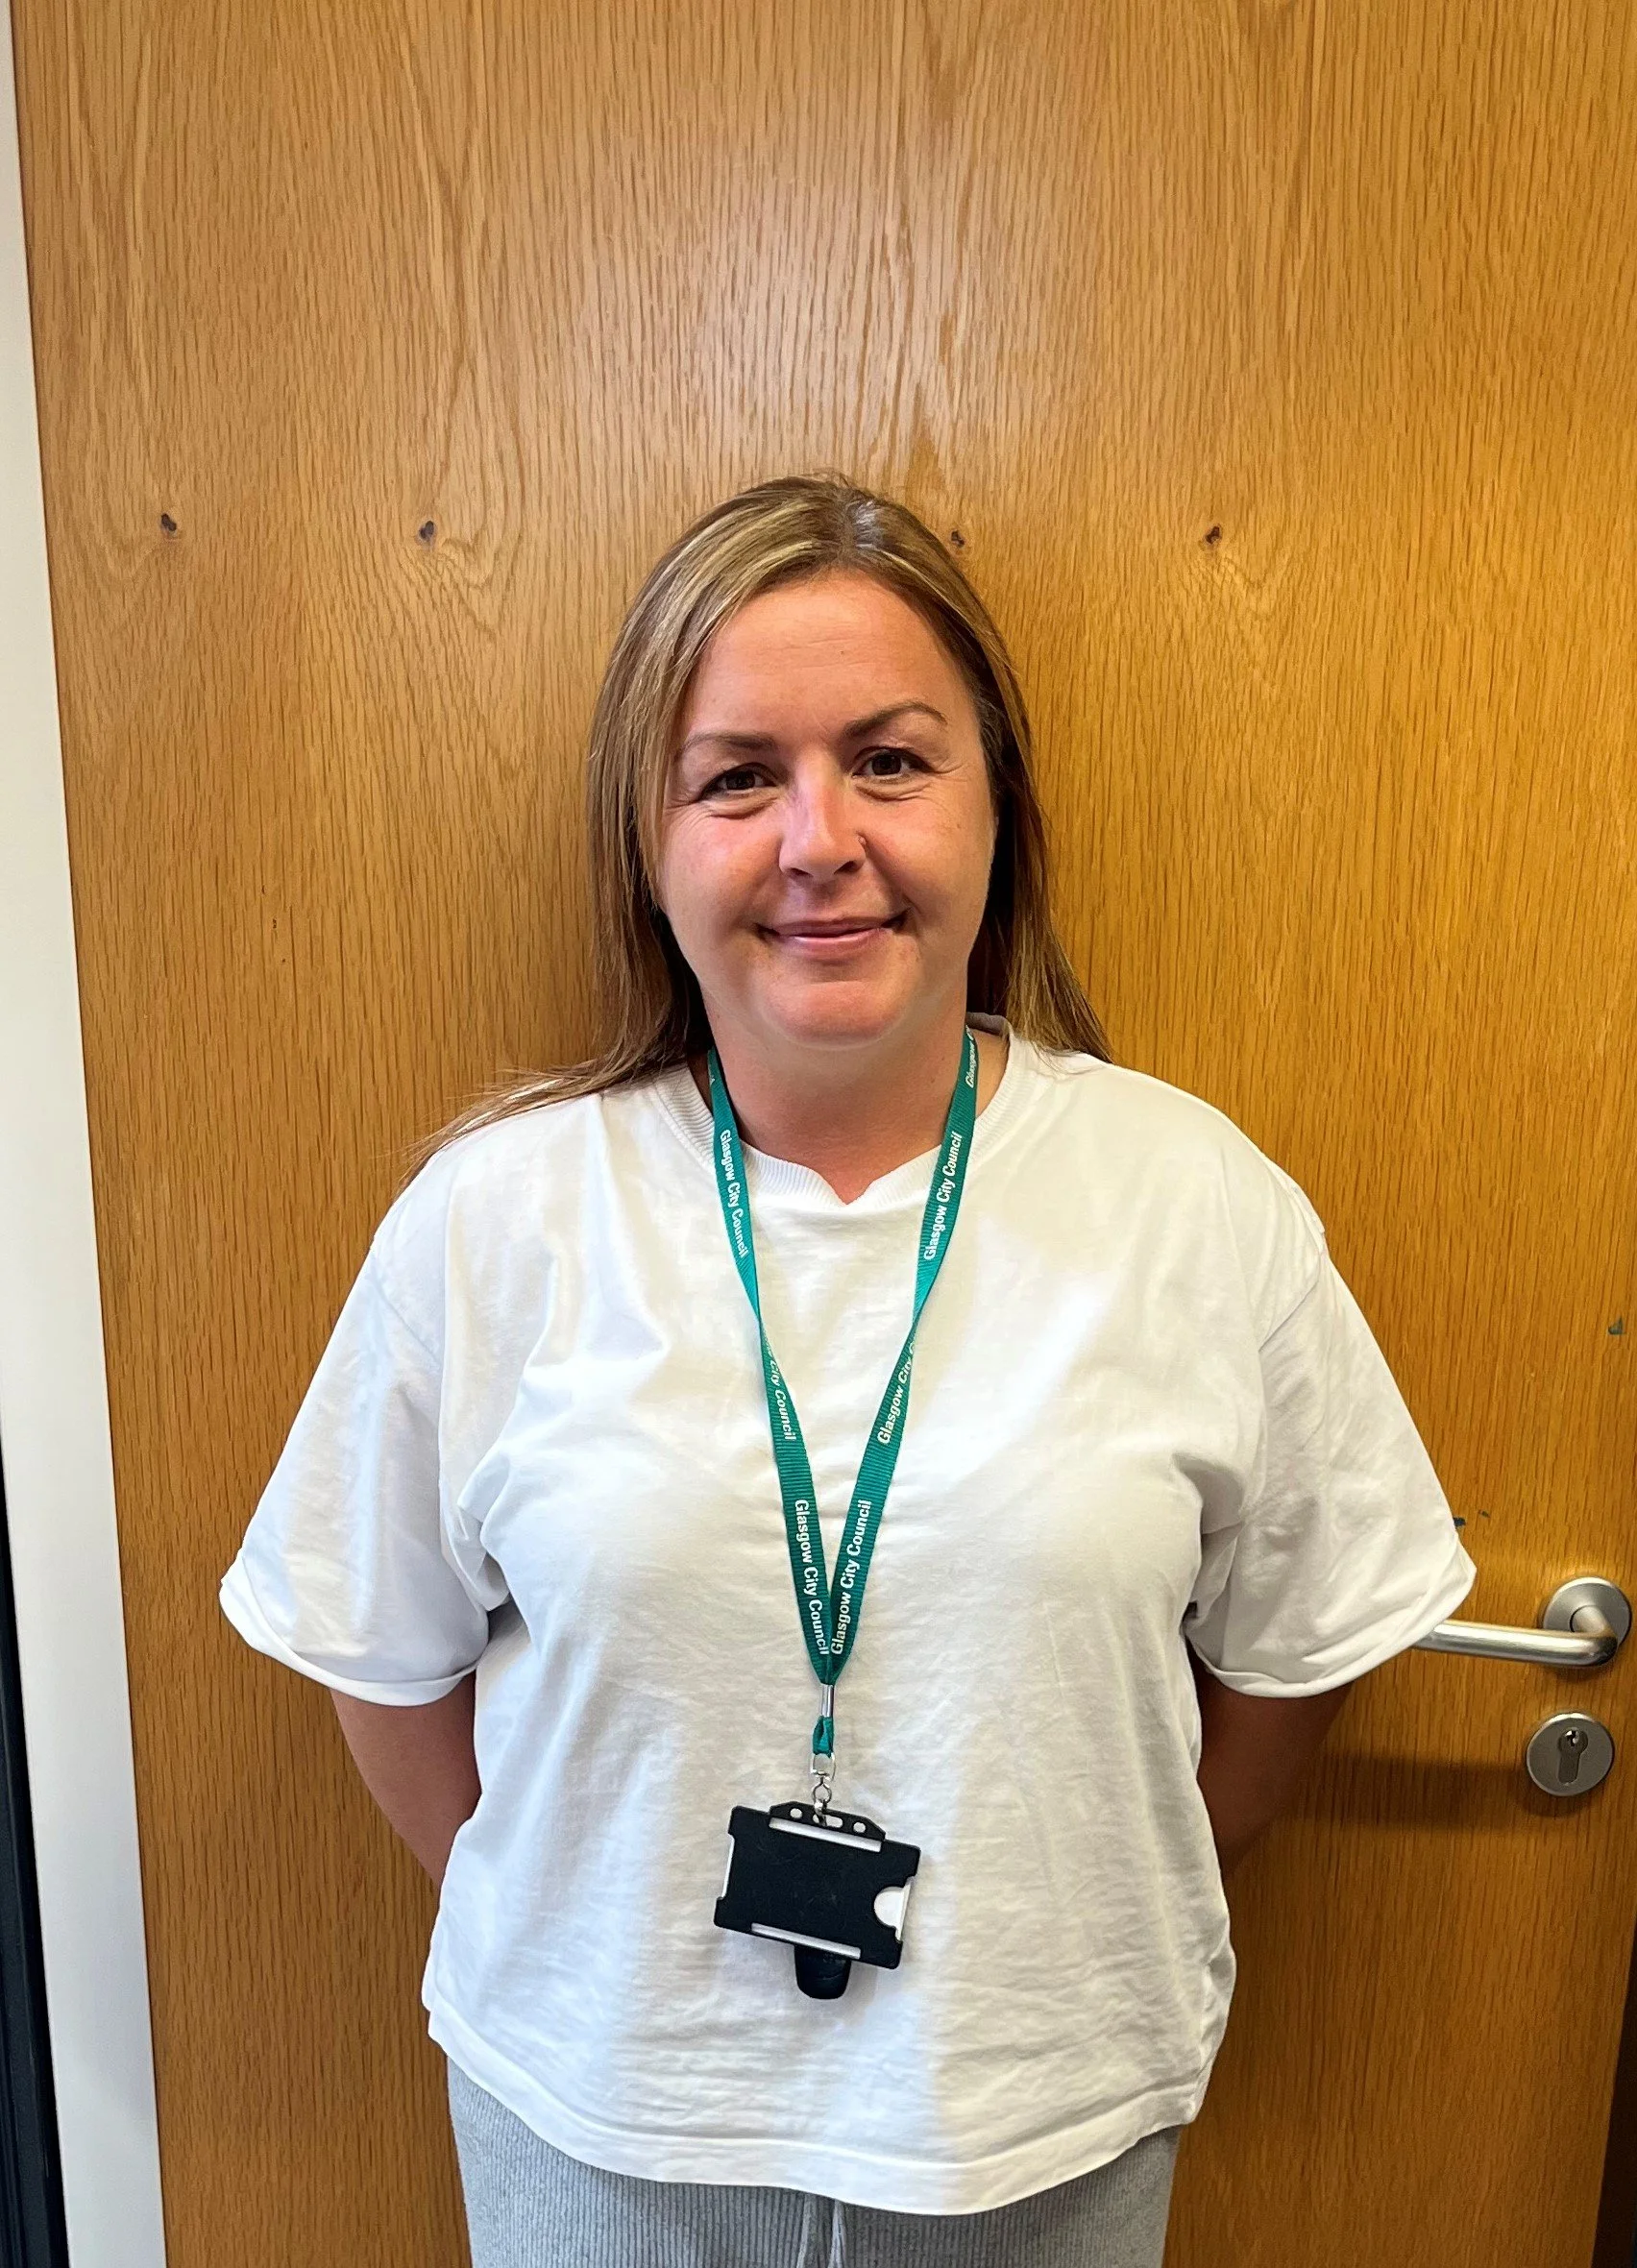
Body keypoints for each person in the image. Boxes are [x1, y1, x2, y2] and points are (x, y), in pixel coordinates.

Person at [219, 475, 1478, 2267]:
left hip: (1035, 2140)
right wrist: (581, 1929)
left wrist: (1070, 1935)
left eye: (891, 761)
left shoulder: (1194, 1204)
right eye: (737, 778)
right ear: (650, 846)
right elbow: (382, 1650)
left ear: (996, 808)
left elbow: (1294, 1653)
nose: (821, 840)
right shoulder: (497, 1220)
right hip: (600, 2138)